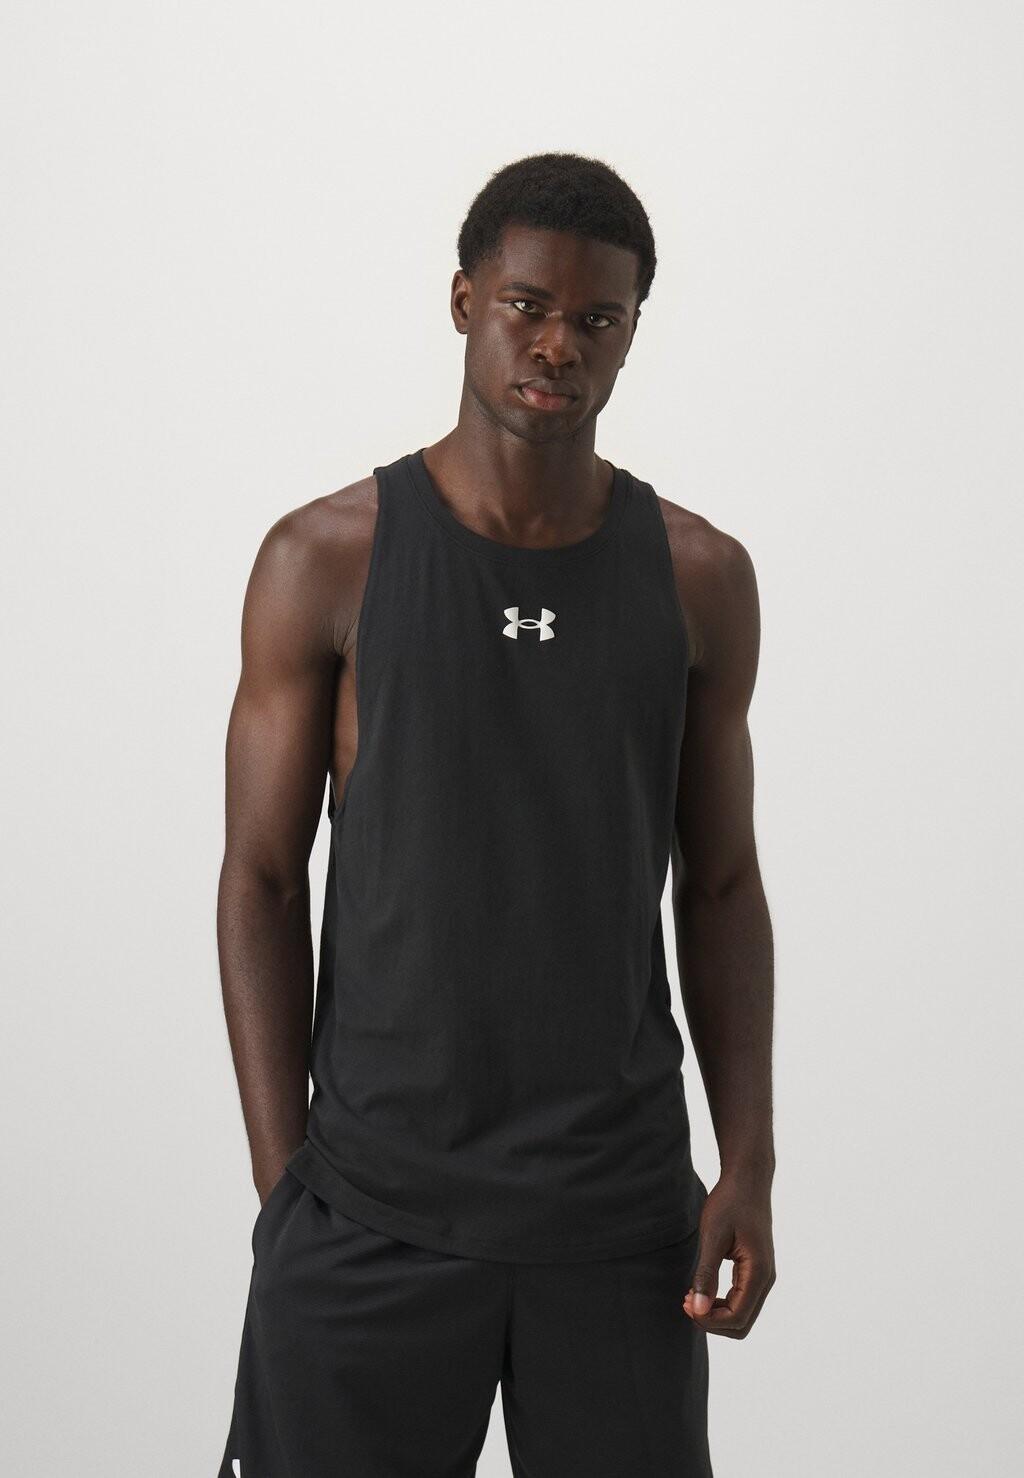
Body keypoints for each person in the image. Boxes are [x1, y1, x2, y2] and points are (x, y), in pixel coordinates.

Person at [217, 150, 775, 1478]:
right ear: (465, 300)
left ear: (632, 331)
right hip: (370, 1211)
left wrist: (747, 1158)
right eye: (528, 305)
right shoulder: (327, 557)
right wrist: (286, 1191)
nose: (557, 344)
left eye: (597, 319)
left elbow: (721, 885)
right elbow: (260, 880)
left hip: (618, 1220)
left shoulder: (698, 577)